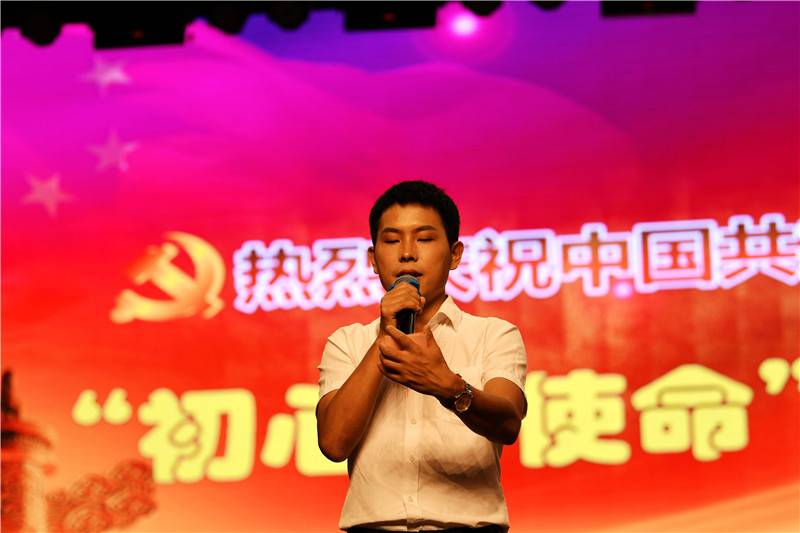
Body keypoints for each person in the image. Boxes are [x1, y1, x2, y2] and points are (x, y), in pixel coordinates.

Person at [316, 181, 527, 533]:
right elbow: (334, 443)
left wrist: (449, 387)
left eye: (425, 239)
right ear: (373, 259)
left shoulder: (494, 334)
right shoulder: (347, 342)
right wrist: (386, 336)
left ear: (455, 254)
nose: (407, 254)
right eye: (391, 240)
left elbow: (508, 423)